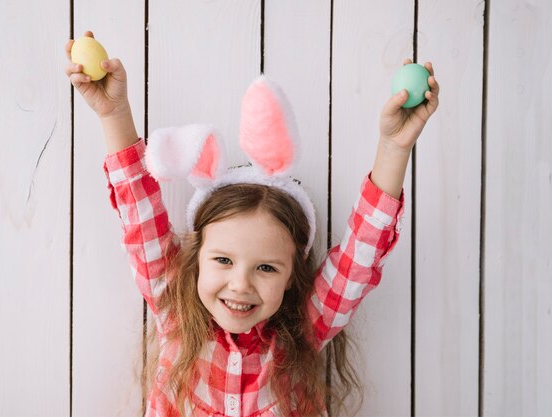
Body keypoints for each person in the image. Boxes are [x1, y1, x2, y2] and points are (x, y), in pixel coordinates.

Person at [64, 31, 439, 417]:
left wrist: (394, 147)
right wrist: (114, 114)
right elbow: (137, 208)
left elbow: (361, 253)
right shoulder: (175, 307)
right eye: (223, 260)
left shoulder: (304, 328)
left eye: (265, 267)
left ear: (293, 274)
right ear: (196, 258)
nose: (240, 285)